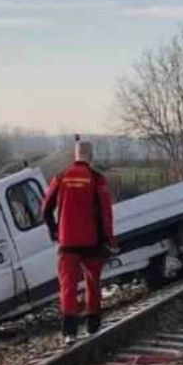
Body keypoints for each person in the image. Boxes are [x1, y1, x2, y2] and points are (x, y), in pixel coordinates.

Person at [41, 139, 117, 345]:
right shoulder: (96, 179)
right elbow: (105, 212)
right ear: (90, 156)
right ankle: (92, 325)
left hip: (67, 243)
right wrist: (109, 240)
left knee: (68, 287)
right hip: (92, 241)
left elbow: (45, 207)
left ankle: (69, 332)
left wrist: (55, 230)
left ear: (75, 155)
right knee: (93, 282)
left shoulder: (61, 176)